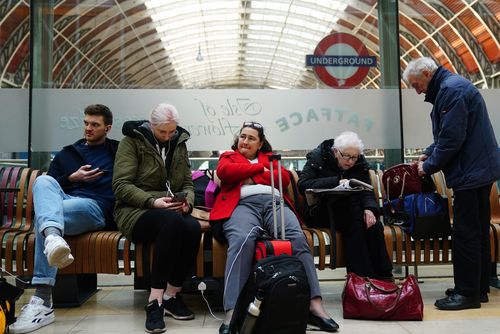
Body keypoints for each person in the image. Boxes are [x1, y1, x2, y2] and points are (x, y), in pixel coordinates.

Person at [210, 121, 339, 334]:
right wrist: (260, 169)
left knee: (297, 239)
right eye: (243, 136)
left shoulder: (271, 158)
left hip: (274, 202)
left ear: (260, 144)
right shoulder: (228, 157)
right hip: (241, 204)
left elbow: (284, 177)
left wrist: (248, 175)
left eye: (251, 138)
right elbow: (225, 172)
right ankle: (233, 311)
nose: (245, 141)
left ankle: (314, 305)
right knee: (243, 239)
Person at [10, 104, 118, 334]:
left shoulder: (118, 152)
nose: (88, 128)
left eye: (95, 125)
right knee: (43, 182)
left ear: (107, 128)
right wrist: (72, 177)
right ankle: (52, 238)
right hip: (64, 204)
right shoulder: (68, 153)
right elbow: (52, 184)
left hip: (95, 208)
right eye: (86, 123)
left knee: (46, 218)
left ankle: (42, 300)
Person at [403, 57, 500, 310]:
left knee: (465, 233)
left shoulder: (450, 90)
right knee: (477, 231)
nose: (417, 90)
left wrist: (428, 166)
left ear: (426, 73)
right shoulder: (452, 87)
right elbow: (449, 134)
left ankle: (465, 293)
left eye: (416, 84)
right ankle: (477, 289)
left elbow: (452, 139)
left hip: (470, 172)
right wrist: (428, 152)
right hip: (479, 169)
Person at [112, 103, 201, 333]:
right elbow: (121, 186)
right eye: (163, 132)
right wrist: (153, 202)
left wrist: (187, 203)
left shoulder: (179, 143)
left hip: (169, 209)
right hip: (135, 210)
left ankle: (172, 295)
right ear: (151, 126)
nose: (168, 136)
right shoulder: (131, 142)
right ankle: (155, 301)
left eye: (172, 131)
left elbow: (188, 183)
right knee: (173, 222)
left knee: (192, 227)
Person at [298, 131, 393, 280]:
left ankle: (385, 276)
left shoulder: (359, 163)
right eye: (346, 156)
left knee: (373, 225)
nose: (350, 161)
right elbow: (303, 184)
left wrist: (369, 209)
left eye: (354, 157)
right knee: (354, 223)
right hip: (324, 211)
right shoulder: (318, 157)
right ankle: (362, 280)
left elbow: (366, 190)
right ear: (335, 152)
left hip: (352, 210)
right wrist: (335, 181)